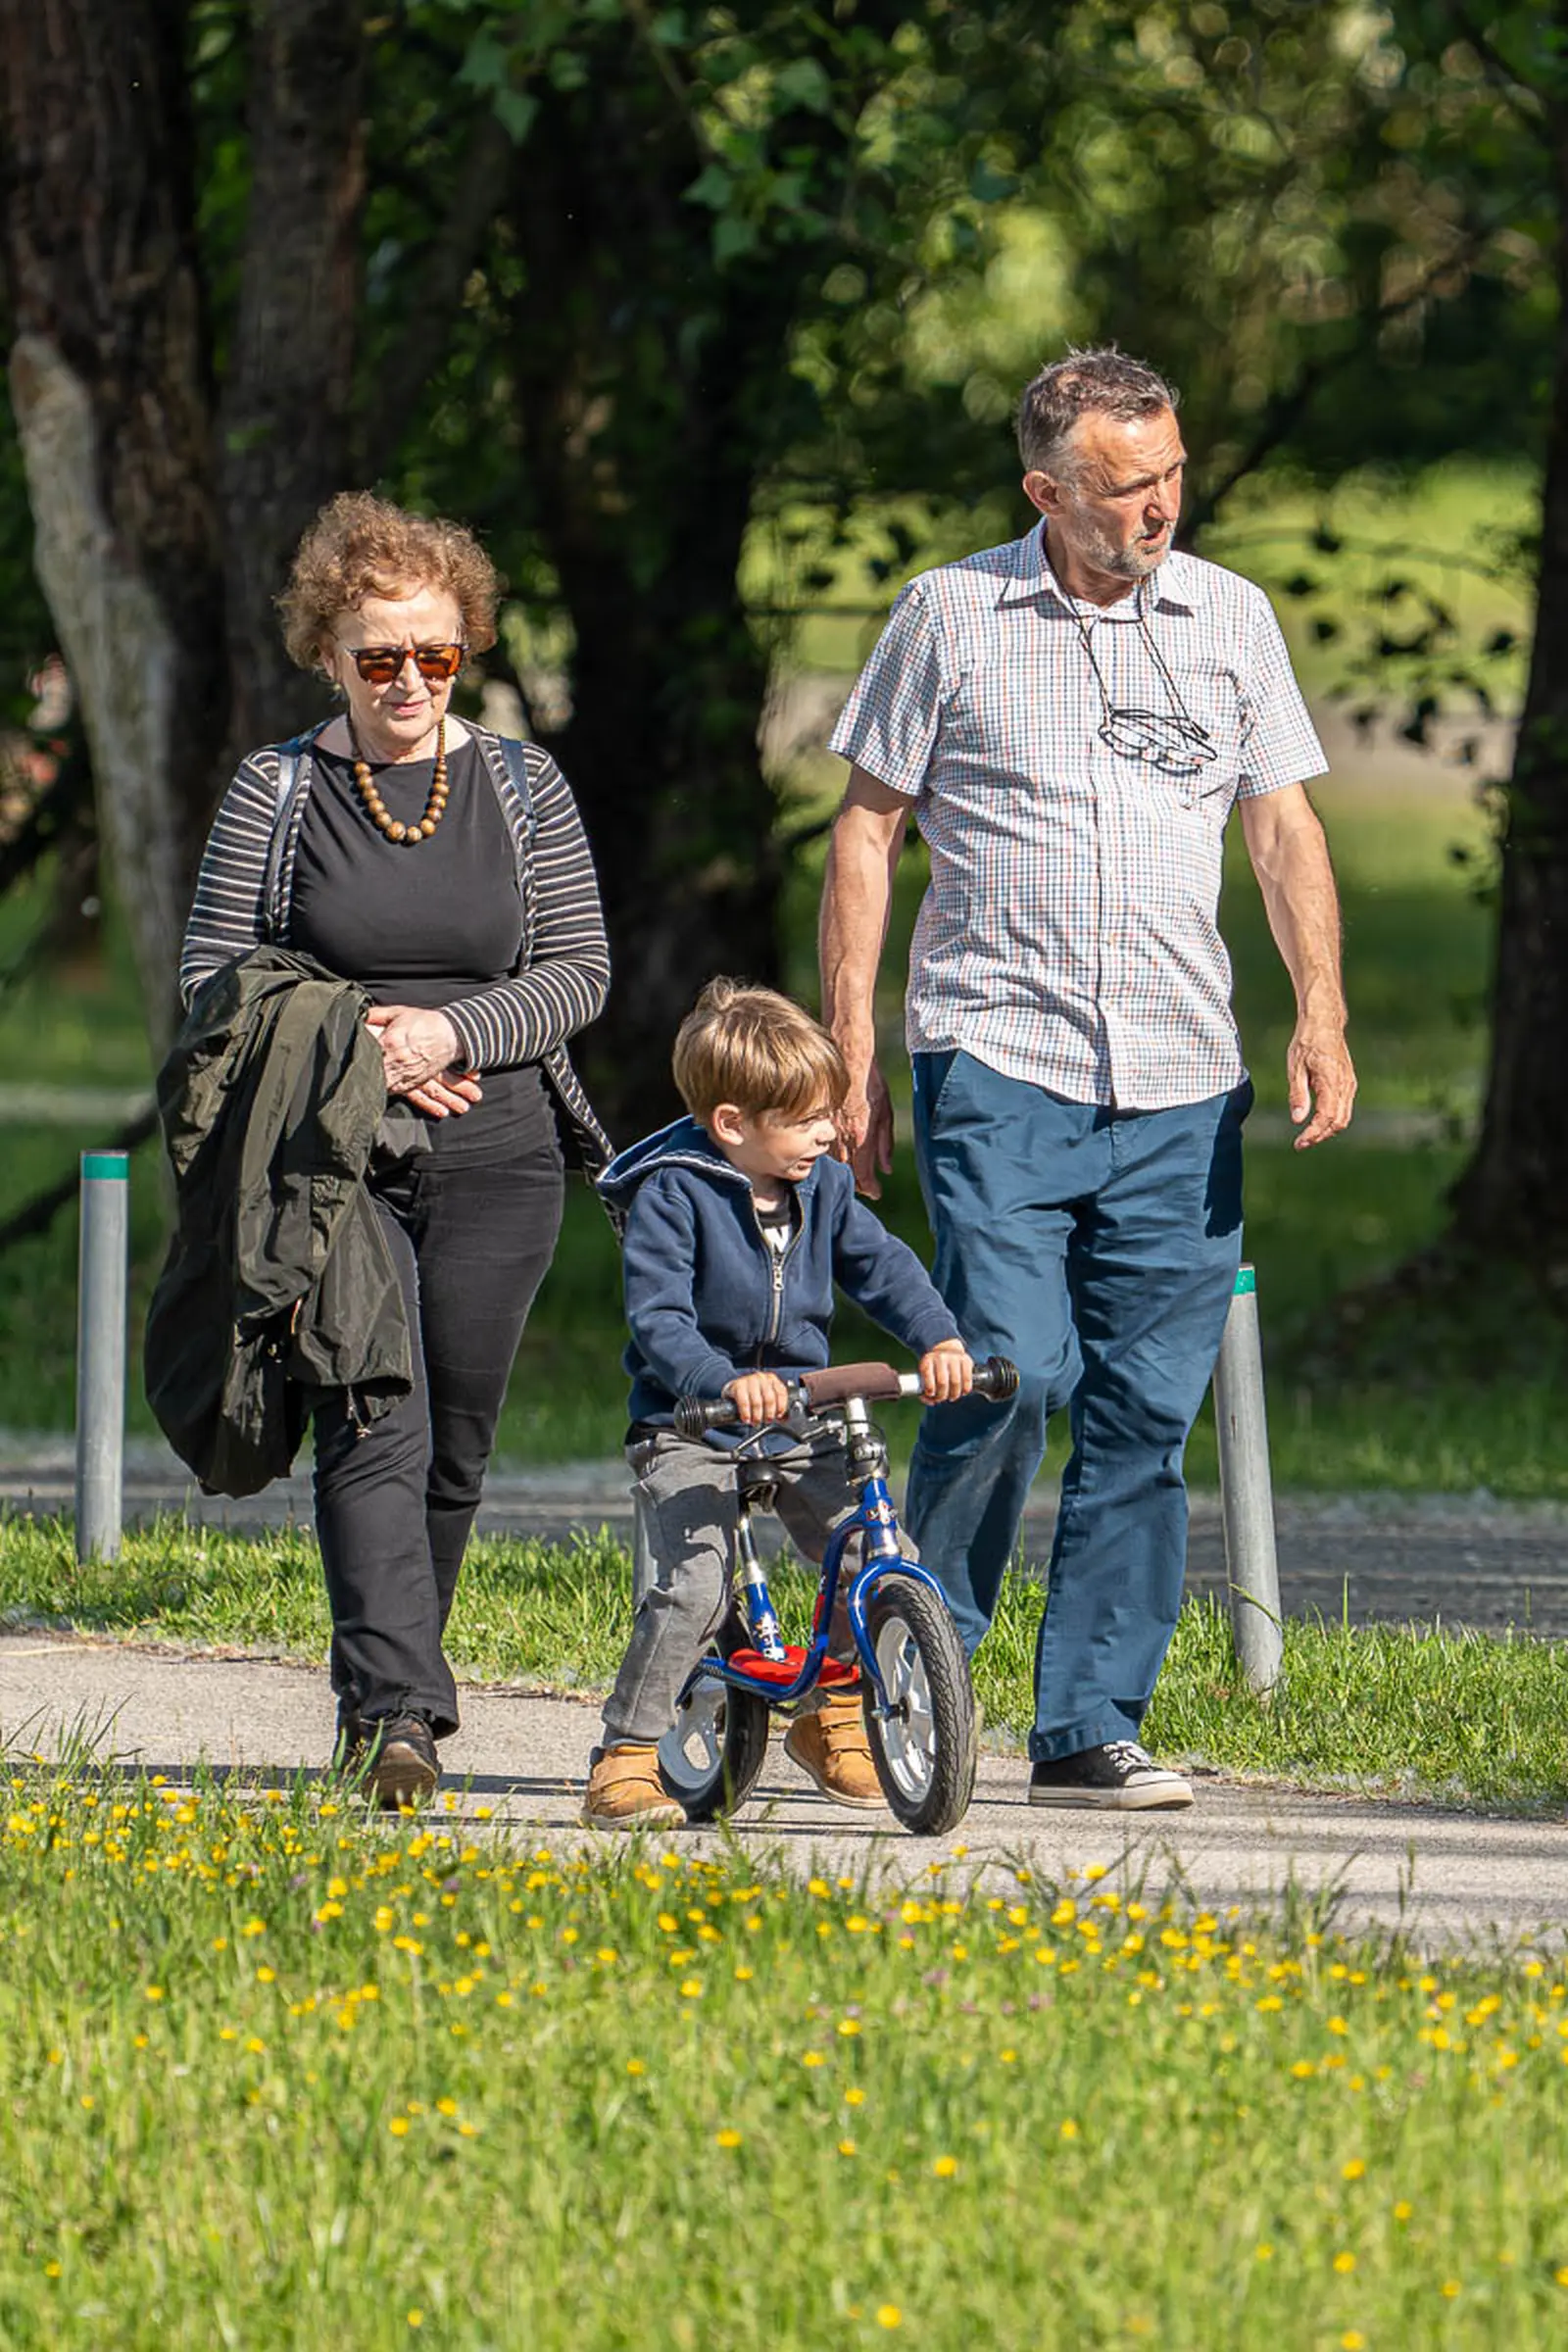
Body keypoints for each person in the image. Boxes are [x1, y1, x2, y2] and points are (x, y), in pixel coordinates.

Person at [819, 347, 1355, 1811]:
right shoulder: (951, 614)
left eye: (1172, 474)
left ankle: (1086, 1725)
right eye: (1125, 487)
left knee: (1142, 1410)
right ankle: (915, 1681)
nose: (1159, 506)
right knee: (1007, 1370)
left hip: (1185, 1078)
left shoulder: (1231, 618)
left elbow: (1283, 830)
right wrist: (855, 1048)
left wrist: (1322, 1010)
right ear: (1046, 490)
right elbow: (868, 829)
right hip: (1002, 1055)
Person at [179, 490, 610, 1806]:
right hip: (325, 1157)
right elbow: (213, 983)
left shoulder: (524, 784)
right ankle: (393, 1721)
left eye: (436, 653)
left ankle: (396, 1692)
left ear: (463, 648)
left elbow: (581, 973)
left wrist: (456, 1030)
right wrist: (368, 1041)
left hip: (504, 1155)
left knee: (458, 1442)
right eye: (380, 657)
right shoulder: (281, 788)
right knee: (375, 1418)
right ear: (330, 655)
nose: (410, 680)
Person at [581, 979, 974, 1829]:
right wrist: (721, 1382)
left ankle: (834, 1717)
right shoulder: (674, 1194)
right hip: (691, 1423)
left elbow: (884, 1266)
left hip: (799, 1416)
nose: (832, 1134)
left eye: (830, 1116)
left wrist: (939, 1341)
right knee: (694, 1588)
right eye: (808, 1122)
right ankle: (626, 1757)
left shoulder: (822, 1187)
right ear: (733, 1125)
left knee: (874, 1549)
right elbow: (661, 1321)